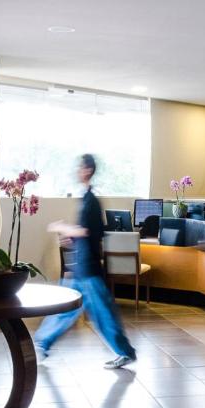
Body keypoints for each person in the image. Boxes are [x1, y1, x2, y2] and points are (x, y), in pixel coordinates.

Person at [34, 154, 136, 369]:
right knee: (66, 310)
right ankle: (42, 343)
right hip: (82, 267)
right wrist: (71, 237)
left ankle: (125, 352)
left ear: (88, 170)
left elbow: (89, 231)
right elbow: (87, 233)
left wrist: (61, 227)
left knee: (102, 314)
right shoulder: (86, 199)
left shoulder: (91, 201)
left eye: (80, 167)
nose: (77, 171)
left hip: (88, 268)